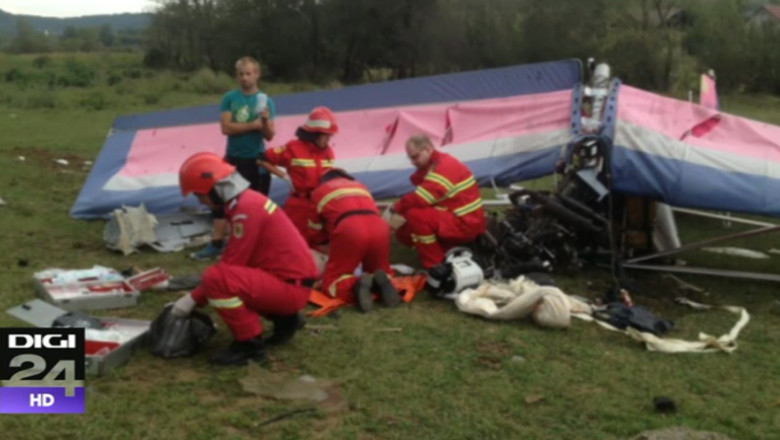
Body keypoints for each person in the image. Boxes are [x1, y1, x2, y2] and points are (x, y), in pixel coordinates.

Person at [171, 152, 317, 366]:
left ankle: (249, 345)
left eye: (200, 195)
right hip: (291, 282)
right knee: (228, 278)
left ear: (216, 189)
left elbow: (231, 264)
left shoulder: (245, 210)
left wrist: (192, 299)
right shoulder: (247, 202)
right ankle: (286, 319)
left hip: (289, 287)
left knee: (218, 278)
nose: (201, 201)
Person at [191, 56, 276, 260]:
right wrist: (254, 125)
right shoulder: (230, 98)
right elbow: (226, 128)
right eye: (241, 74)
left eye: (248, 73)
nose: (244, 78)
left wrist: (264, 122)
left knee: (256, 205)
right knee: (220, 199)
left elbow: (269, 136)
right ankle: (216, 243)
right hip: (232, 159)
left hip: (256, 159)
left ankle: (254, 244)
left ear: (257, 75)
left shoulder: (266, 101)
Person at [308, 168, 399, 312]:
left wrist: (323, 243)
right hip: (379, 227)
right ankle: (382, 282)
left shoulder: (319, 192)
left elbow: (315, 229)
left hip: (350, 228)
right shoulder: (361, 186)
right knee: (380, 269)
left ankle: (356, 285)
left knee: (333, 283)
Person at [391, 134, 486, 269]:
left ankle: (436, 266)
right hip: (457, 218)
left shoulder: (445, 166)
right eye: (410, 158)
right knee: (404, 233)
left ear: (428, 149)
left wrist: (396, 208)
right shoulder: (435, 165)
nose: (412, 162)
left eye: (415, 157)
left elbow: (421, 198)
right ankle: (446, 254)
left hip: (466, 223)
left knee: (416, 217)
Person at [261, 106, 337, 245]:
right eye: (326, 136)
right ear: (315, 134)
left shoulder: (328, 152)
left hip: (320, 204)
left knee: (321, 241)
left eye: (330, 136)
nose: (328, 140)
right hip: (299, 206)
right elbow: (262, 159)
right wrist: (283, 175)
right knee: (294, 243)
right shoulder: (293, 148)